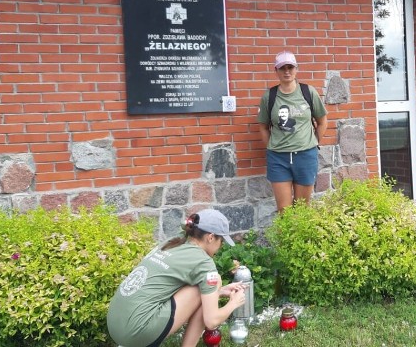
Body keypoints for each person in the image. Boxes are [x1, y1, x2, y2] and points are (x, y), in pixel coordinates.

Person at [107, 209, 247, 347]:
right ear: (210, 238)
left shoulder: (173, 243)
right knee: (212, 282)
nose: (221, 246)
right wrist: (234, 303)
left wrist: (218, 292)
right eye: (221, 240)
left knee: (210, 286)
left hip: (115, 325)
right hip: (137, 333)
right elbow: (212, 321)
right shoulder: (203, 262)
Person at [257, 51, 328, 211]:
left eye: (290, 67)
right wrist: (271, 146)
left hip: (305, 156)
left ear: (296, 69)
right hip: (278, 158)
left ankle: (303, 237)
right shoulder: (269, 96)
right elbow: (263, 126)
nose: (287, 71)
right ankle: (285, 237)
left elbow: (322, 121)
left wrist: (314, 142)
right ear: (276, 70)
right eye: (282, 68)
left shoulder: (308, 92)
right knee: (284, 210)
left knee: (302, 208)